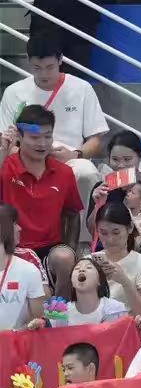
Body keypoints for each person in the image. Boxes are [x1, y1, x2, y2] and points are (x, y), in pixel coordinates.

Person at [0, 34, 108, 241]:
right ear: (28, 61)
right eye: (37, 67)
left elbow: (96, 139)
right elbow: (5, 139)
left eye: (49, 67)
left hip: (70, 159)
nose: (43, 74)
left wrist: (75, 154)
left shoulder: (81, 89)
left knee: (85, 172)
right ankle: (15, 239)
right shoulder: (14, 92)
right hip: (25, 158)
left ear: (60, 60)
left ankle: (83, 242)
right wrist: (28, 153)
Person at [0, 105, 83, 299]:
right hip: (11, 248)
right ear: (19, 137)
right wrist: (3, 151)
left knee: (65, 257)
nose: (42, 143)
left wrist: (71, 249)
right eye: (35, 137)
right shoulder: (6, 168)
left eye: (47, 136)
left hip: (50, 249)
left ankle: (59, 312)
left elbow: (72, 213)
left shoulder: (64, 173)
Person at [88, 130, 141, 260]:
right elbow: (93, 231)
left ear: (140, 157)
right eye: (115, 159)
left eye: (127, 159)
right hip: (109, 250)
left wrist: (135, 244)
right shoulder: (102, 189)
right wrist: (98, 204)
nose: (121, 165)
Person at [93, 202, 141, 321]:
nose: (110, 239)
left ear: (130, 228)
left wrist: (124, 281)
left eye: (116, 232)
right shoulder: (89, 262)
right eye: (103, 233)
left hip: (128, 327)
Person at [27, 257, 128, 328]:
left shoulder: (116, 309)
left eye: (88, 268)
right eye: (77, 268)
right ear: (72, 282)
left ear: (99, 281)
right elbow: (49, 336)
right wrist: (40, 324)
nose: (81, 270)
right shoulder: (59, 310)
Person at [0, 203, 45, 330]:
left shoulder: (29, 271)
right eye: (15, 224)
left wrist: (15, 334)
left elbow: (38, 319)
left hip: (16, 340)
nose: (20, 229)